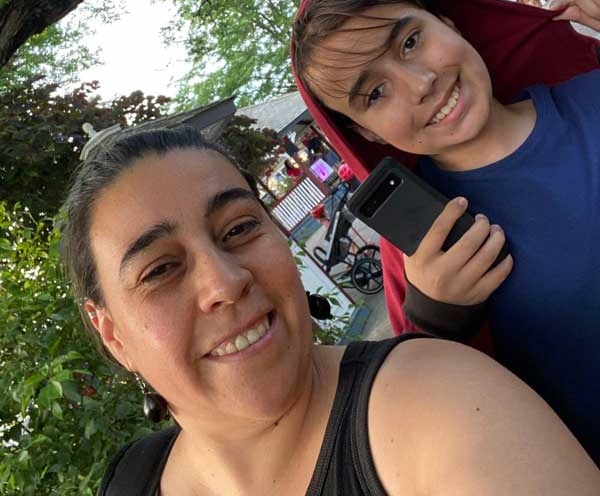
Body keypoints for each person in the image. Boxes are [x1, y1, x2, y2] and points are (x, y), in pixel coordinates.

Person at [60, 127, 600, 493]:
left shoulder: (438, 404)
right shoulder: (130, 480)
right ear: (114, 337)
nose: (225, 282)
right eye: (159, 270)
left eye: (240, 229)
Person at [290, 0, 600, 462]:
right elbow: (441, 414)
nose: (421, 84)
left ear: (449, 22)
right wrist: (440, 319)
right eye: (374, 94)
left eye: (411, 42)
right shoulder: (425, 251)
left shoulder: (592, 86)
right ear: (363, 133)